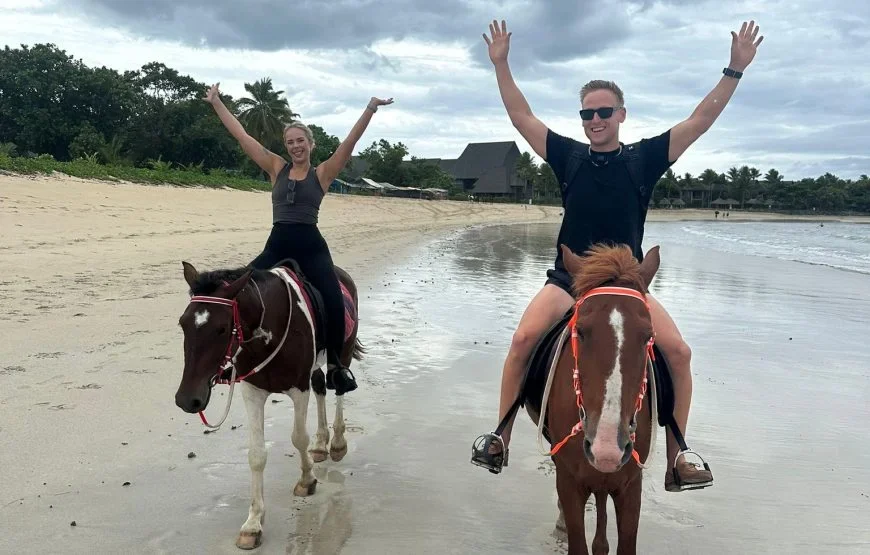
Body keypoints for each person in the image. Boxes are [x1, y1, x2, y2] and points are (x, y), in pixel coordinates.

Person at [471, 19, 763, 491]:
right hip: (570, 279)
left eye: (604, 111)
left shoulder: (644, 159)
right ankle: (500, 435)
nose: (595, 120)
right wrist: (502, 65)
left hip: (627, 285)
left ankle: (679, 453)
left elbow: (698, 122)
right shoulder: (567, 155)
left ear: (621, 114)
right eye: (587, 114)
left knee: (680, 352)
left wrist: (734, 70)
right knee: (523, 340)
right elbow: (521, 116)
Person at [204, 82, 393, 395]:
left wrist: (370, 108)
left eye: (300, 140)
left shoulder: (323, 173)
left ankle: (335, 366)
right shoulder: (276, 167)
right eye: (290, 142)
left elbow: (350, 141)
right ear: (286, 145)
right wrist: (217, 103)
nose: (295, 146)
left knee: (333, 298)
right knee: (234, 289)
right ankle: (232, 358)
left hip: (311, 247)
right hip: (277, 243)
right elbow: (242, 136)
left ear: (310, 143)